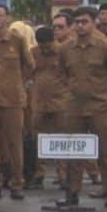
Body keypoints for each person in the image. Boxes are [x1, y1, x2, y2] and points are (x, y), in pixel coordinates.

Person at [58, 6, 107, 207]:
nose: (80, 26)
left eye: (84, 22)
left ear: (93, 22)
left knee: (105, 150)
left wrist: (101, 91)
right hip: (74, 107)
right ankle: (73, 192)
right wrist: (73, 89)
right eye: (77, 22)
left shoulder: (105, 46)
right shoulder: (66, 48)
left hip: (99, 105)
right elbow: (62, 74)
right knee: (74, 151)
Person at [0, 4, 34, 199]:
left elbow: (30, 66)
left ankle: (16, 183)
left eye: (0, 15)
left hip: (13, 101)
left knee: (15, 145)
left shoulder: (18, 40)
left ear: (8, 18)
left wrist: (20, 85)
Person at [29, 24, 68, 188]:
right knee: (39, 139)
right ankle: (39, 174)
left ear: (54, 40)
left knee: (62, 139)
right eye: (42, 46)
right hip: (39, 102)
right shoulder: (34, 53)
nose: (45, 49)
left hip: (61, 101)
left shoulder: (64, 52)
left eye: (47, 45)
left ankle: (63, 175)